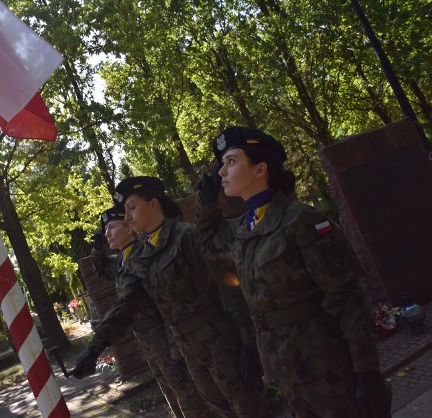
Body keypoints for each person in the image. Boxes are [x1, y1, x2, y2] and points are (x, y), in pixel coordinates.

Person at [195, 126, 392, 418]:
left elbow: (348, 301)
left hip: (328, 368)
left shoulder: (302, 220)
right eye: (220, 165)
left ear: (260, 169)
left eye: (231, 162)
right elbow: (206, 245)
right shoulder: (241, 229)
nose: (221, 172)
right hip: (286, 372)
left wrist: (367, 373)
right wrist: (206, 203)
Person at [72, 177, 269, 418]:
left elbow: (230, 289)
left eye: (132, 208)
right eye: (125, 212)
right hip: (190, 353)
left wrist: (249, 344)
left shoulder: (186, 236)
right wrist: (94, 349)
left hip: (223, 344)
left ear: (153, 204)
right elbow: (127, 306)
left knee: (248, 408)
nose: (128, 218)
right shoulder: (142, 256)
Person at [91, 206, 212, 418]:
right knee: (172, 394)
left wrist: (175, 351)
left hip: (164, 339)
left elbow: (167, 307)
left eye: (111, 227)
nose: (107, 233)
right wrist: (98, 248)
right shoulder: (121, 262)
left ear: (129, 229)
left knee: (189, 395)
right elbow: (101, 268)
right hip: (148, 343)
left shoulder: (145, 256)